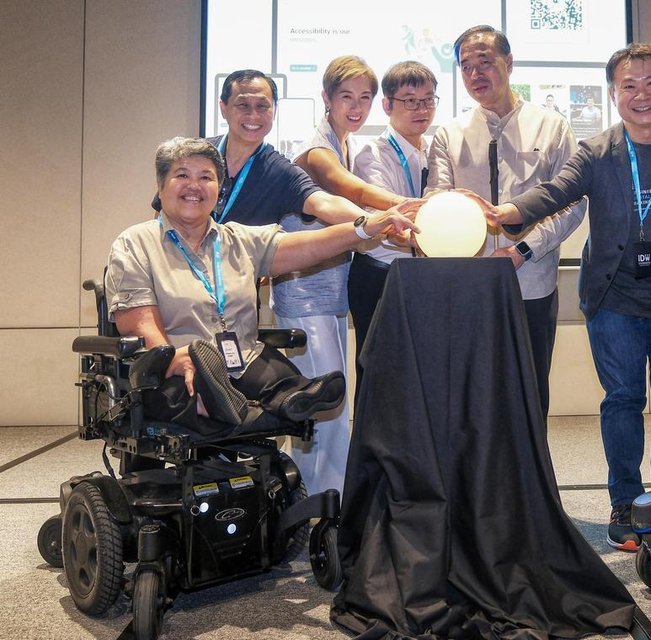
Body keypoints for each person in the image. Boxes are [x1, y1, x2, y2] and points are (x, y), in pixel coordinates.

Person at [479, 43, 651, 551]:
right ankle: (624, 500)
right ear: (615, 93)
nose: (641, 95)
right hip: (612, 298)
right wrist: (504, 212)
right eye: (629, 85)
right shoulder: (597, 151)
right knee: (621, 400)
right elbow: (557, 191)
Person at [153, 69, 412, 494]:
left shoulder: (274, 166)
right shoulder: (197, 158)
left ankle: (289, 489)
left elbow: (324, 202)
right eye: (243, 104)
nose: (253, 115)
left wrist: (373, 224)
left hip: (230, 304)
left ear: (274, 111)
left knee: (255, 380)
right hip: (177, 293)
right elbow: (158, 220)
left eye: (263, 106)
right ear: (223, 108)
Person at [108, 137, 417, 434]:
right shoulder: (135, 242)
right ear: (161, 187)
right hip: (177, 365)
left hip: (240, 361)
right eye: (182, 175)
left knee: (280, 378)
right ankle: (245, 409)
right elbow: (138, 320)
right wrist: (171, 356)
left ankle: (276, 401)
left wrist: (367, 228)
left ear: (219, 190)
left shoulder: (237, 239)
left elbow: (308, 246)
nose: (195, 186)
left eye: (206, 177)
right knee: (183, 390)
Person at [427, 24, 587, 420]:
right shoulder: (449, 133)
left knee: (530, 389)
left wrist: (523, 250)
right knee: (470, 390)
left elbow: (572, 203)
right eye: (466, 67)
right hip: (468, 282)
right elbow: (435, 202)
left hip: (531, 278)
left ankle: (530, 479)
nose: (476, 74)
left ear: (509, 63)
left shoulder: (552, 126)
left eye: (485, 62)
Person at [284, 56, 415, 493]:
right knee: (322, 408)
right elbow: (349, 189)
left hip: (332, 295)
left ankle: (322, 500)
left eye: (365, 98)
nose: (356, 107)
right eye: (346, 97)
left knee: (329, 406)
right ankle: (321, 506)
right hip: (303, 294)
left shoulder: (346, 142)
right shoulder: (317, 148)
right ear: (326, 98)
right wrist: (402, 207)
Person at [350, 61, 438, 386]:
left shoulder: (434, 150)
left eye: (428, 100)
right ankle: (371, 439)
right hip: (380, 275)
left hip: (421, 273)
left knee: (418, 370)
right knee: (377, 371)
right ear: (387, 105)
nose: (421, 109)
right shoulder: (372, 154)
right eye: (410, 100)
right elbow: (395, 224)